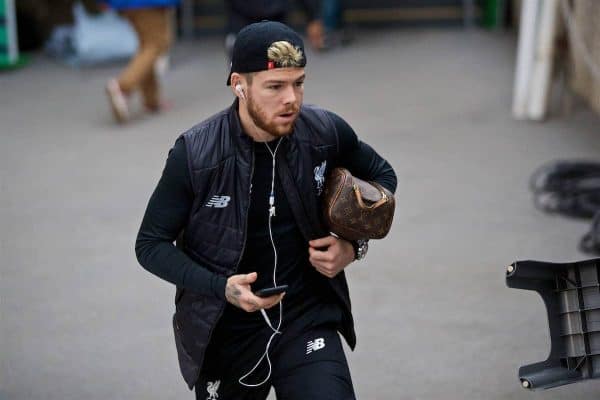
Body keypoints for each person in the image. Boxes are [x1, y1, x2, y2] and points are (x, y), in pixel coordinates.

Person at [135, 21, 396, 400]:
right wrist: (221, 288)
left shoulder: (323, 132)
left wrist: (351, 245)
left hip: (306, 318)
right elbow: (150, 244)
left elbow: (383, 178)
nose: (291, 99)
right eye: (275, 86)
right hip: (227, 331)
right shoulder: (196, 154)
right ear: (239, 84)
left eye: (299, 83)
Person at [104, 0, 179, 123]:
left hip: (130, 4)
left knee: (147, 44)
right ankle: (123, 87)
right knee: (157, 44)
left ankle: (151, 100)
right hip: (148, 3)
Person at [224, 0, 325, 59]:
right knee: (244, 81)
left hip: (275, 21)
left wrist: (313, 18)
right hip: (241, 22)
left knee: (277, 78)